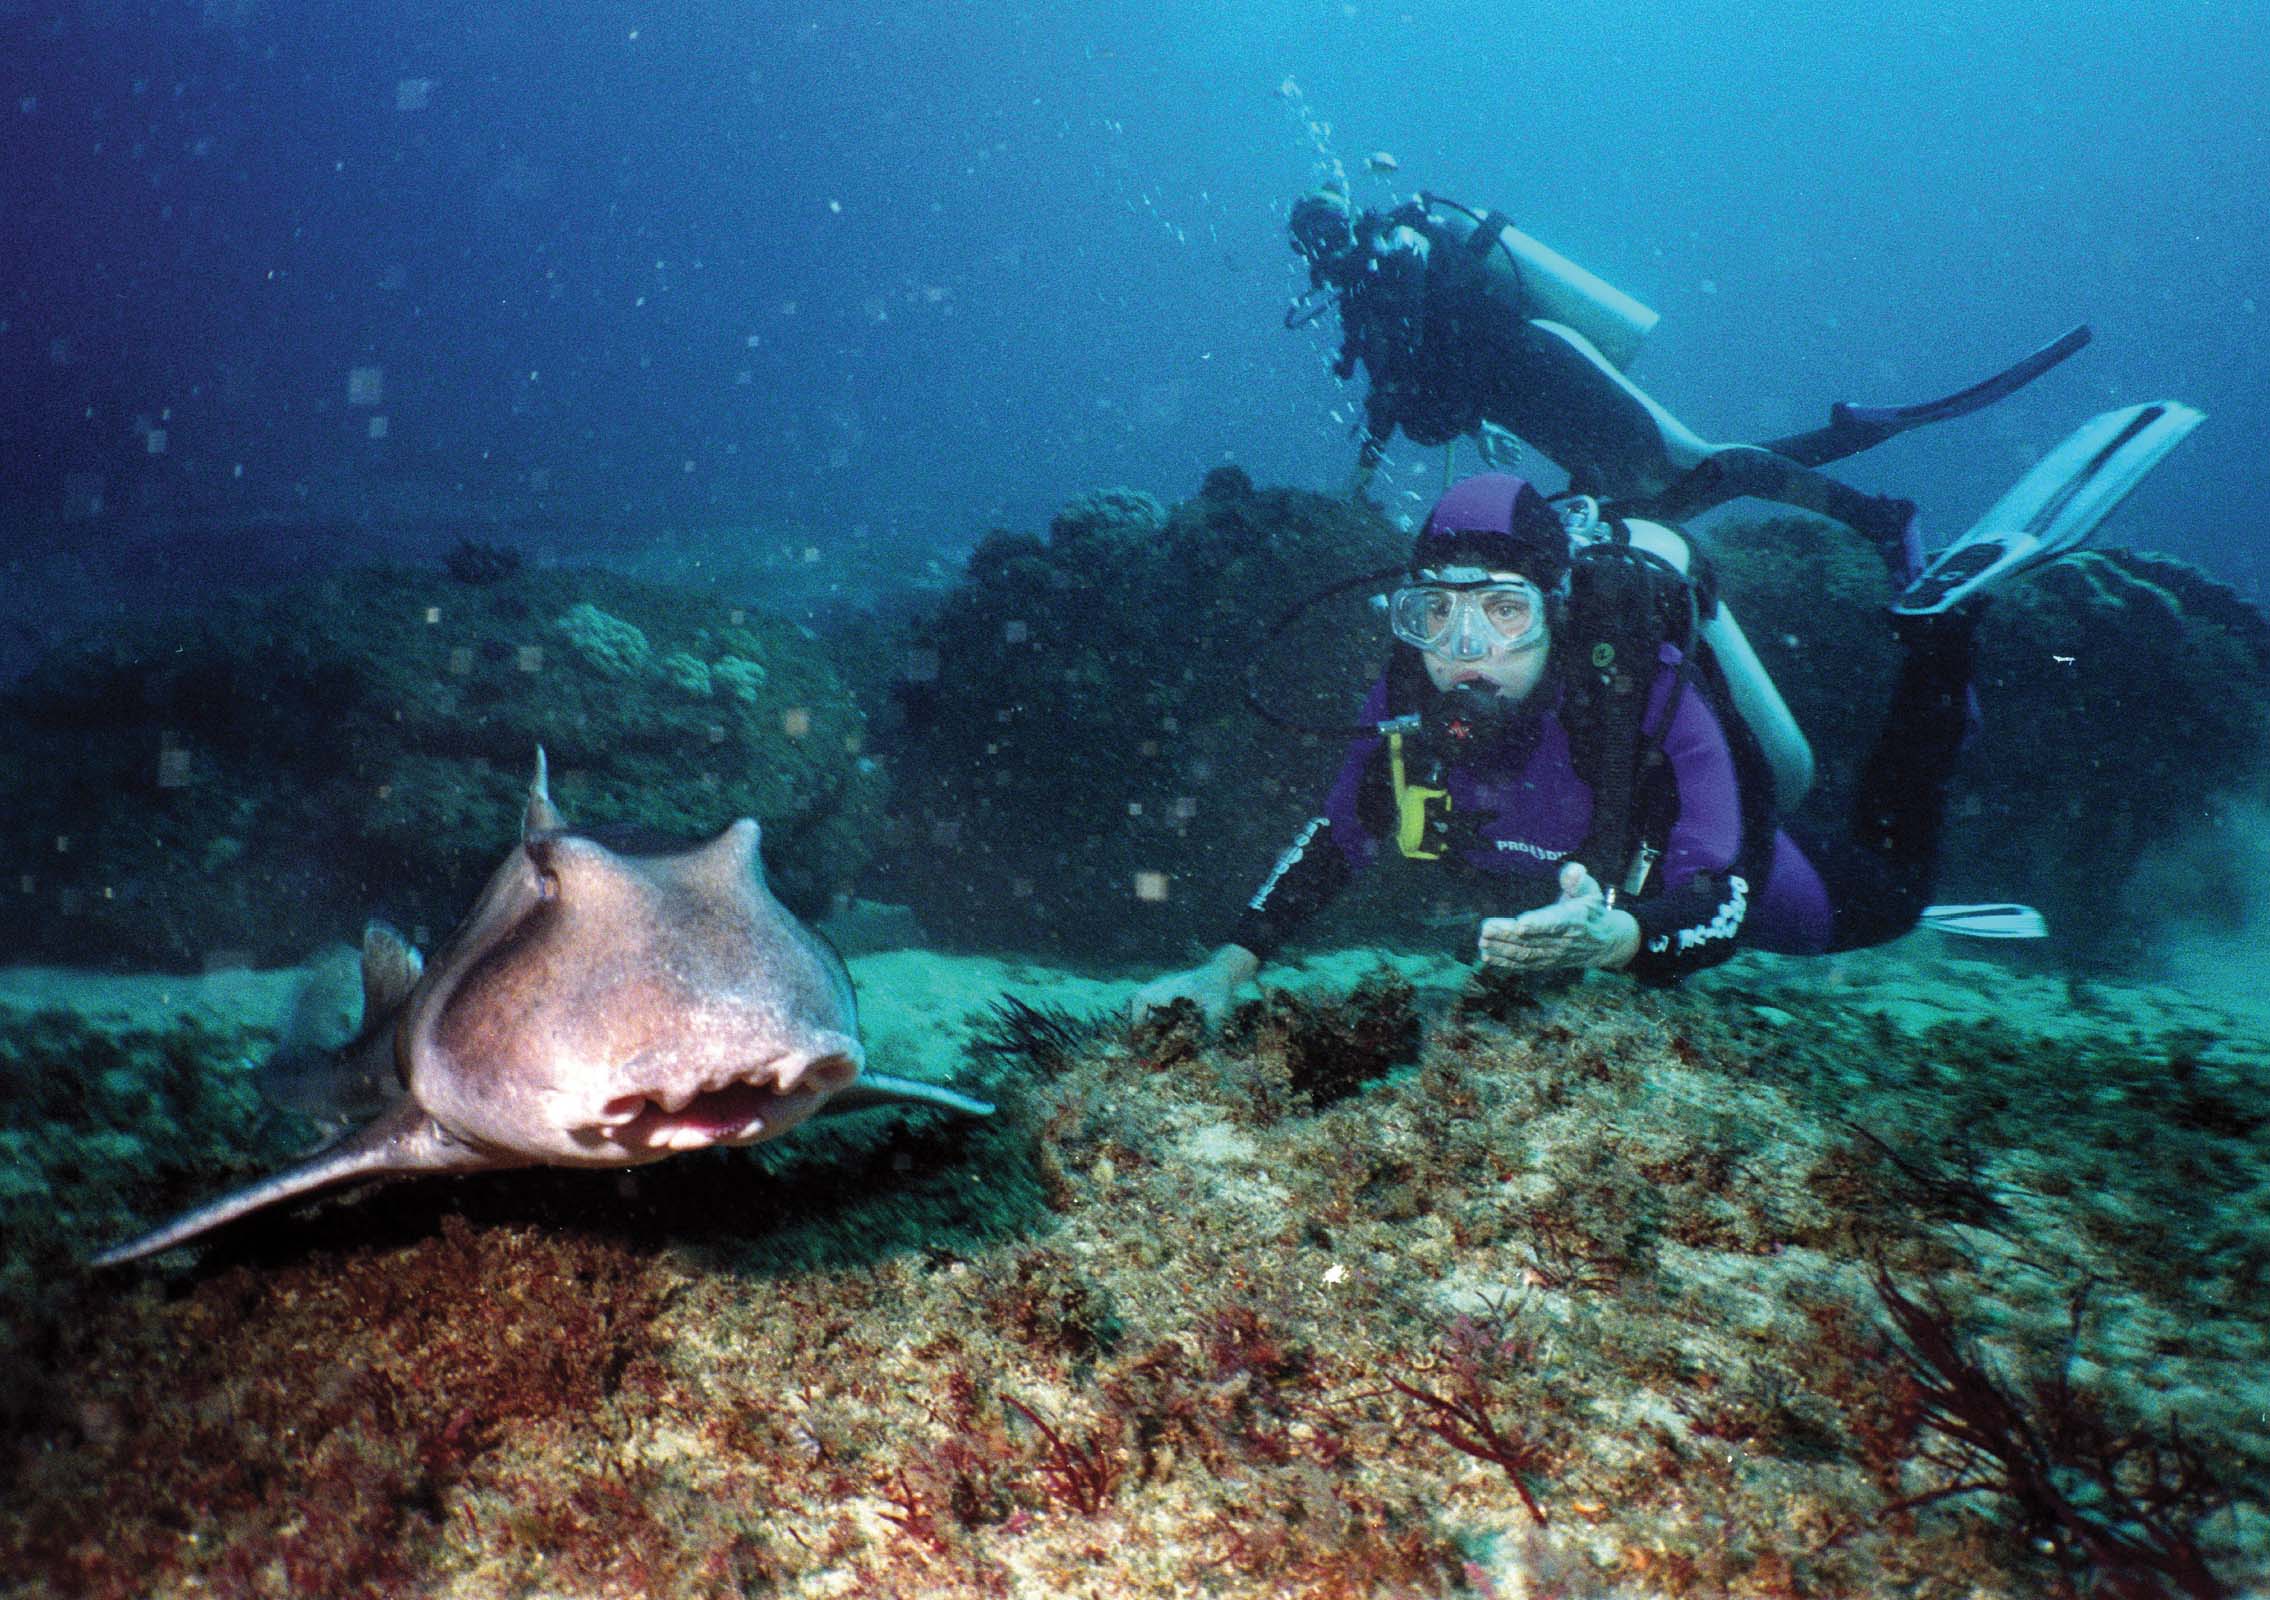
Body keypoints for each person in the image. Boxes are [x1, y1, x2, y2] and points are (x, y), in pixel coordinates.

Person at [1134, 397, 2202, 1022]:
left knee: (1877, 893)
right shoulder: (1404, 697)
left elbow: (1725, 886)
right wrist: (1223, 965)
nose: (1462, 651)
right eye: (1432, 613)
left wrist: (1615, 939)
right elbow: (1335, 836)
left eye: (1500, 611)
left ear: (1554, 608)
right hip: (1589, 891)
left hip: (1707, 869)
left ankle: (1934, 634)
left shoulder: (1637, 686)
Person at [1285, 185, 2091, 583]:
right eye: (1308, 242)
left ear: (1341, 224)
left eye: (1322, 232)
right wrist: (1360, 479)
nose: (1321, 249)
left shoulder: (1399, 256)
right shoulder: (1368, 298)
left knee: (1698, 468)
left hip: (1544, 364)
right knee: (1656, 502)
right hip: (1527, 399)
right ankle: (1851, 433)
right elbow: (1397, 400)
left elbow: (1421, 377)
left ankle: (1882, 518)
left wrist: (1369, 459)